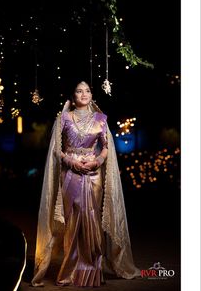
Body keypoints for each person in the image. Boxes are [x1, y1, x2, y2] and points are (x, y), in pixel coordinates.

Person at [31, 81, 141, 287]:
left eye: (88, 91)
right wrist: (70, 161)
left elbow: (106, 147)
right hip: (70, 173)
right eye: (79, 91)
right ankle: (70, 271)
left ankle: (93, 269)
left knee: (92, 217)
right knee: (73, 221)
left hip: (93, 174)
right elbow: (57, 148)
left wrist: (97, 161)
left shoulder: (101, 119)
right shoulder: (64, 118)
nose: (84, 94)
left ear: (92, 95)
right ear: (73, 96)